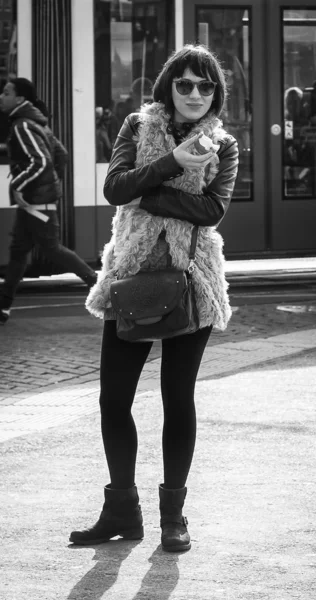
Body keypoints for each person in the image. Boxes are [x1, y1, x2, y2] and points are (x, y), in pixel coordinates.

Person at [69, 44, 239, 552]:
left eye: (204, 86)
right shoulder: (137, 128)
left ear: (215, 93)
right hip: (131, 274)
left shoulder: (224, 145)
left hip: (193, 280)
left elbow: (210, 211)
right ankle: (122, 510)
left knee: (176, 399)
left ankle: (173, 517)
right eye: (184, 83)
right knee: (113, 399)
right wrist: (170, 163)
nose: (193, 93)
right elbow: (115, 188)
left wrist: (148, 189)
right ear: (168, 86)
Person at [0, 78, 97, 324]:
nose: (0, 96)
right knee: (18, 252)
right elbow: (60, 155)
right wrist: (50, 187)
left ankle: (100, 285)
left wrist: (19, 184)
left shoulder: (22, 125)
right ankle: (2, 306)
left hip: (35, 204)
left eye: (6, 92)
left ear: (20, 99)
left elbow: (40, 162)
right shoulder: (37, 124)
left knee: (51, 249)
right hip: (33, 204)